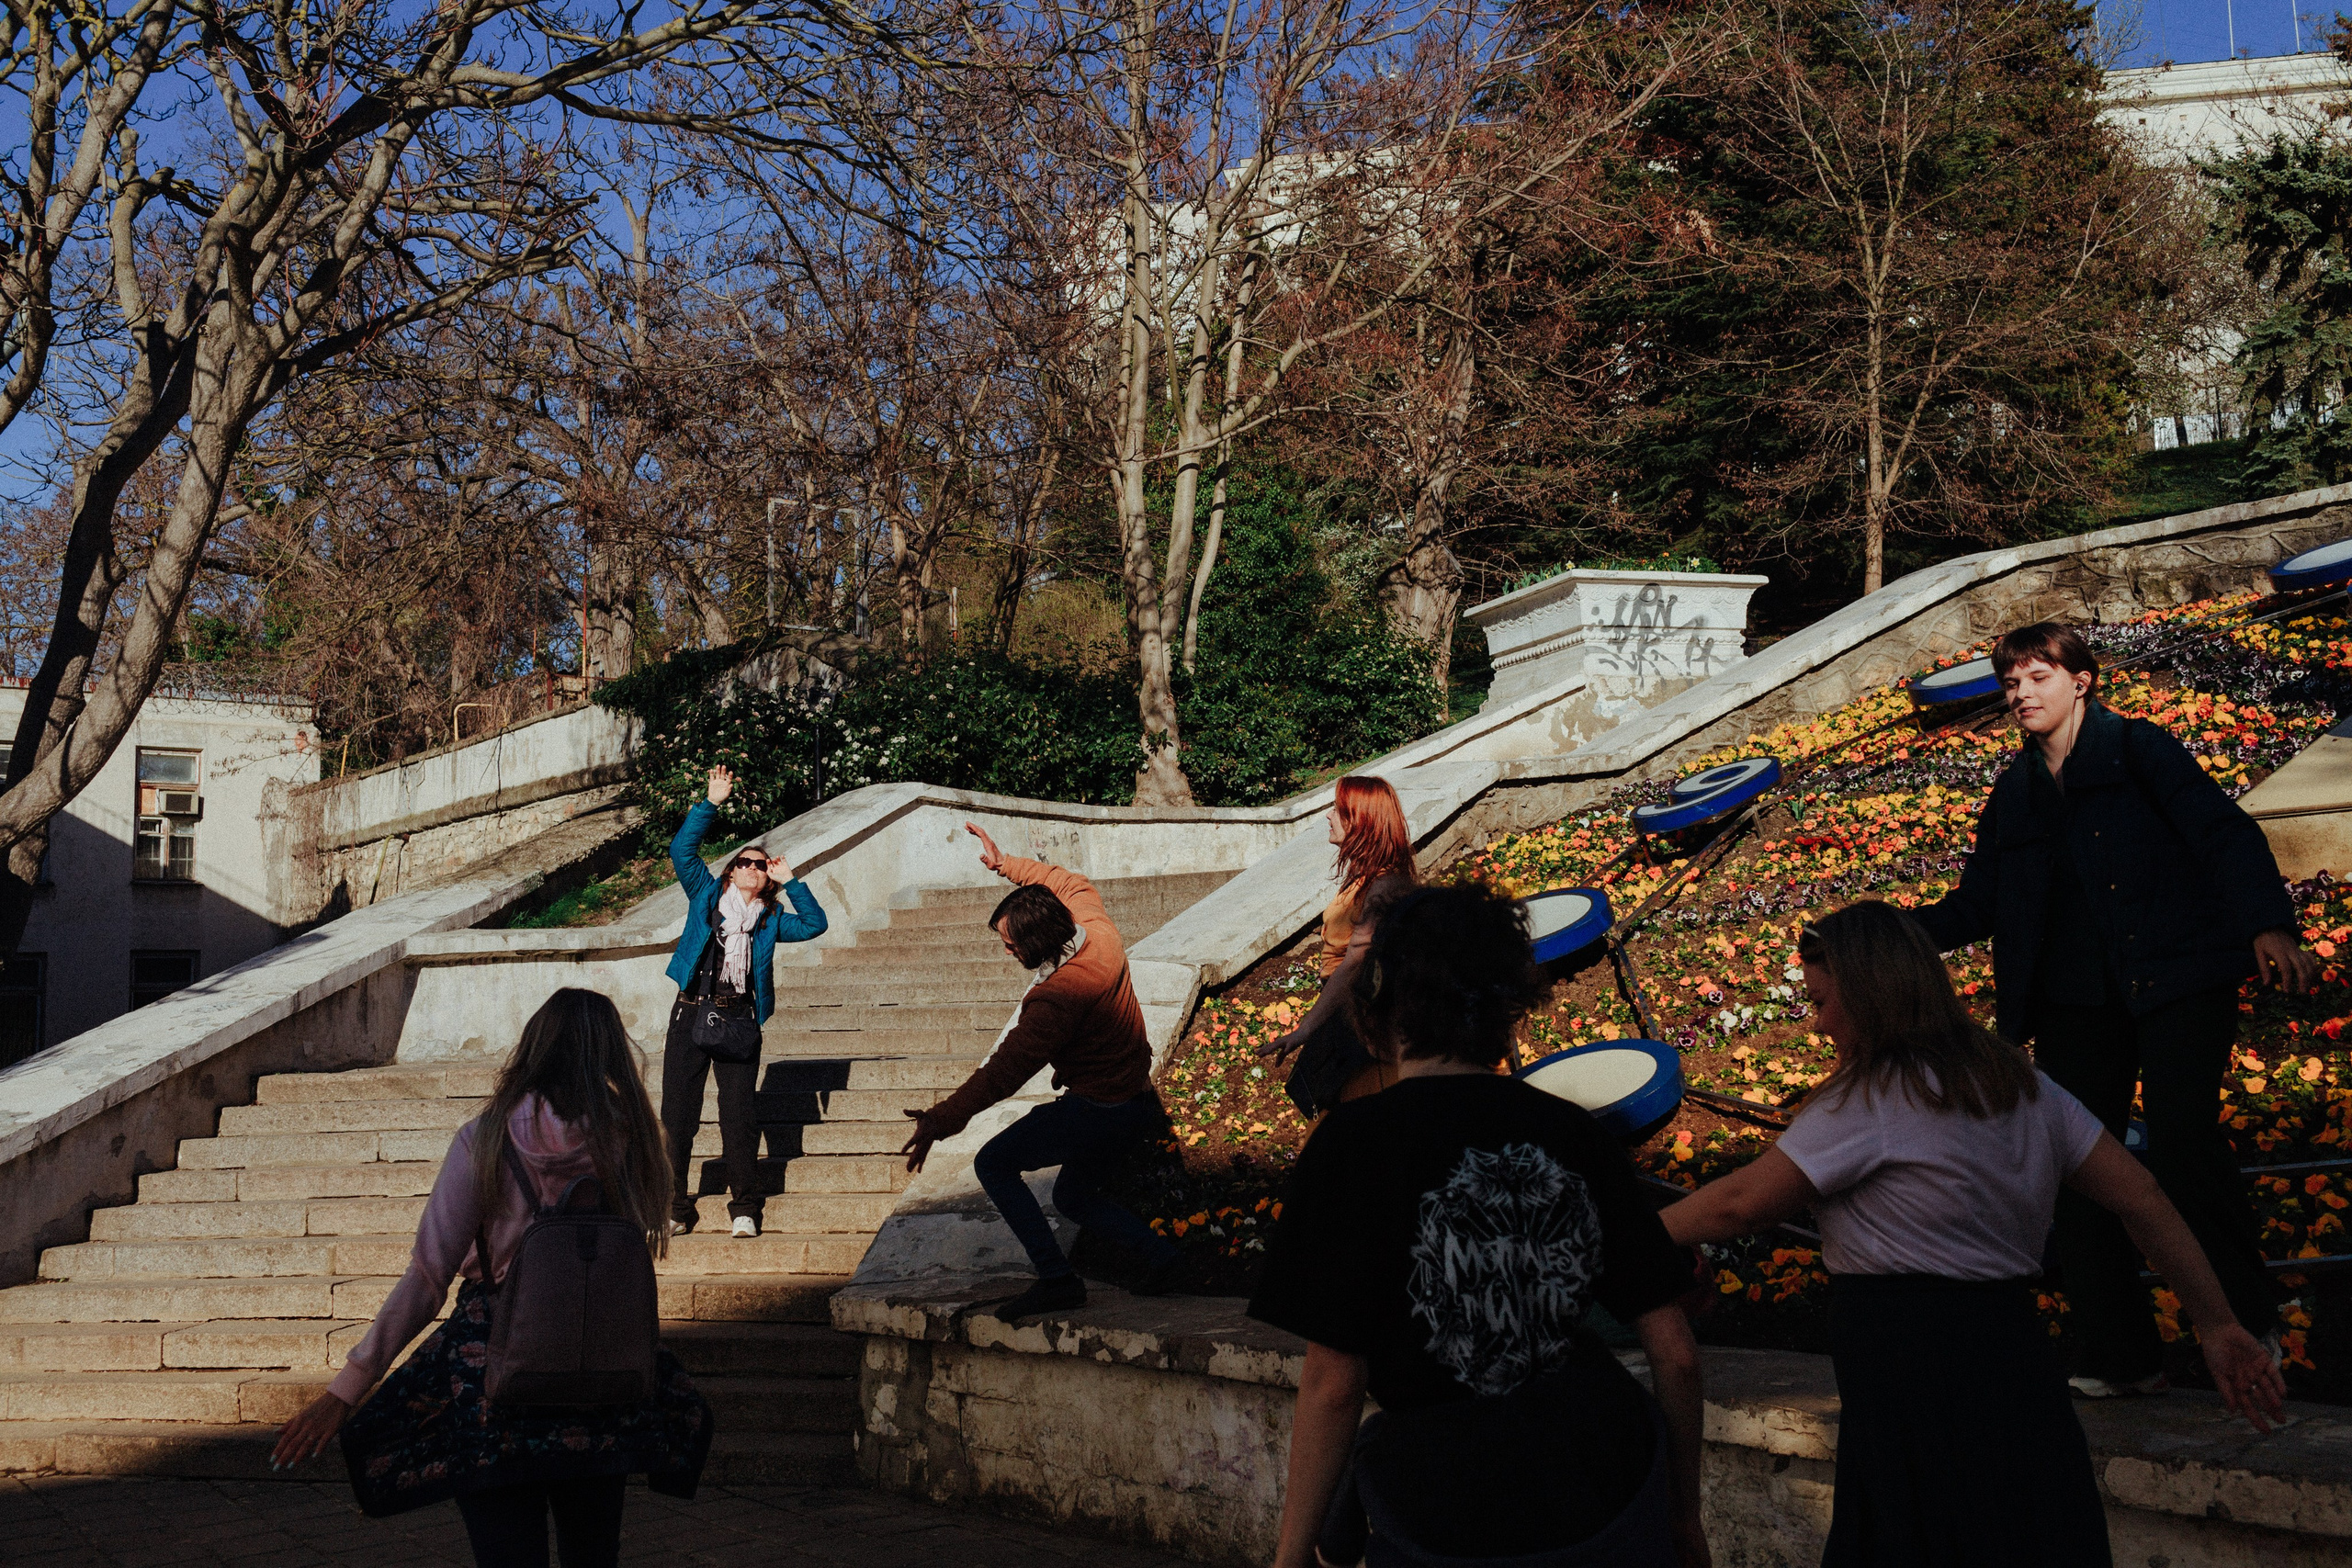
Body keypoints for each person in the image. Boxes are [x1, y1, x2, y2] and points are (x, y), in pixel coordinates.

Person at [1662, 902, 2286, 1568]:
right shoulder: (2024, 1086)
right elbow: (2144, 1194)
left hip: (1909, 1372)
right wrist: (2216, 1323)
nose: (1817, 1025)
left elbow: (1739, 1203)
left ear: (1869, 992)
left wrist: (1627, 1233)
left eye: (1822, 1001)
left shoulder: (1870, 1096)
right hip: (2014, 1356)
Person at [1251, 884, 1710, 1568]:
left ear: (1378, 1002)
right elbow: (1674, 1351)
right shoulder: (1570, 1130)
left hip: (1443, 1503)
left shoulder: (1353, 1144)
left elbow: (1334, 1382)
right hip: (1601, 1483)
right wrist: (1681, 1515)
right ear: (1508, 1004)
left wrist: (1290, 1558)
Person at [1911, 621, 2312, 1397]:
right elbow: (1978, 902)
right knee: (2076, 1163)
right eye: (2011, 683)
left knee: (2185, 1137)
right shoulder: (2016, 789)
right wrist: (1883, 931)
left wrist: (2267, 922)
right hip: (2073, 1000)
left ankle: (2249, 1321)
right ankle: (2121, 1353)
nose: (2020, 693)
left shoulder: (2139, 749)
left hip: (2176, 978)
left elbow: (2222, 834)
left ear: (2081, 680)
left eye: (2036, 677)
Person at [269, 988, 715, 1568]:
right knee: (593, 1554)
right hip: (601, 1385)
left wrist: (345, 1390)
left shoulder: (484, 1141)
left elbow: (428, 1279)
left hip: (494, 1379)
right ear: (610, 1054)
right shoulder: (633, 1143)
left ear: (533, 1047)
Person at [899, 823, 1183, 1317]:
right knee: (1072, 1195)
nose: (1007, 951)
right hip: (1134, 1098)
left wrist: (941, 1120)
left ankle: (1057, 1280)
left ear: (1040, 939)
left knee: (993, 1163)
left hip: (1099, 1109)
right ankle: (1163, 1258)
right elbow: (1063, 879)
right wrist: (1004, 865)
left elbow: (1001, 1074)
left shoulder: (1058, 998)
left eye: (1011, 944)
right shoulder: (1098, 929)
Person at [660, 763, 827, 1238]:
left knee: (739, 1119)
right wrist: (710, 803)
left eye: (761, 865)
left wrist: (792, 880)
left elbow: (815, 925)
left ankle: (745, 1208)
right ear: (731, 871)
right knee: (677, 1116)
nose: (753, 868)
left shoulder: (772, 919)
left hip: (738, 1021)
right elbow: (682, 850)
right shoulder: (705, 896)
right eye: (744, 862)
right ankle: (676, 1206)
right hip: (690, 1012)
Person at [1262, 774, 1419, 1116]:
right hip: (1344, 1011)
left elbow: (1353, 965)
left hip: (1355, 1018)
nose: (1328, 816)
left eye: (1337, 809)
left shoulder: (1383, 886)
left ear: (1360, 820)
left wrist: (1306, 1028)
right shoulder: (1366, 877)